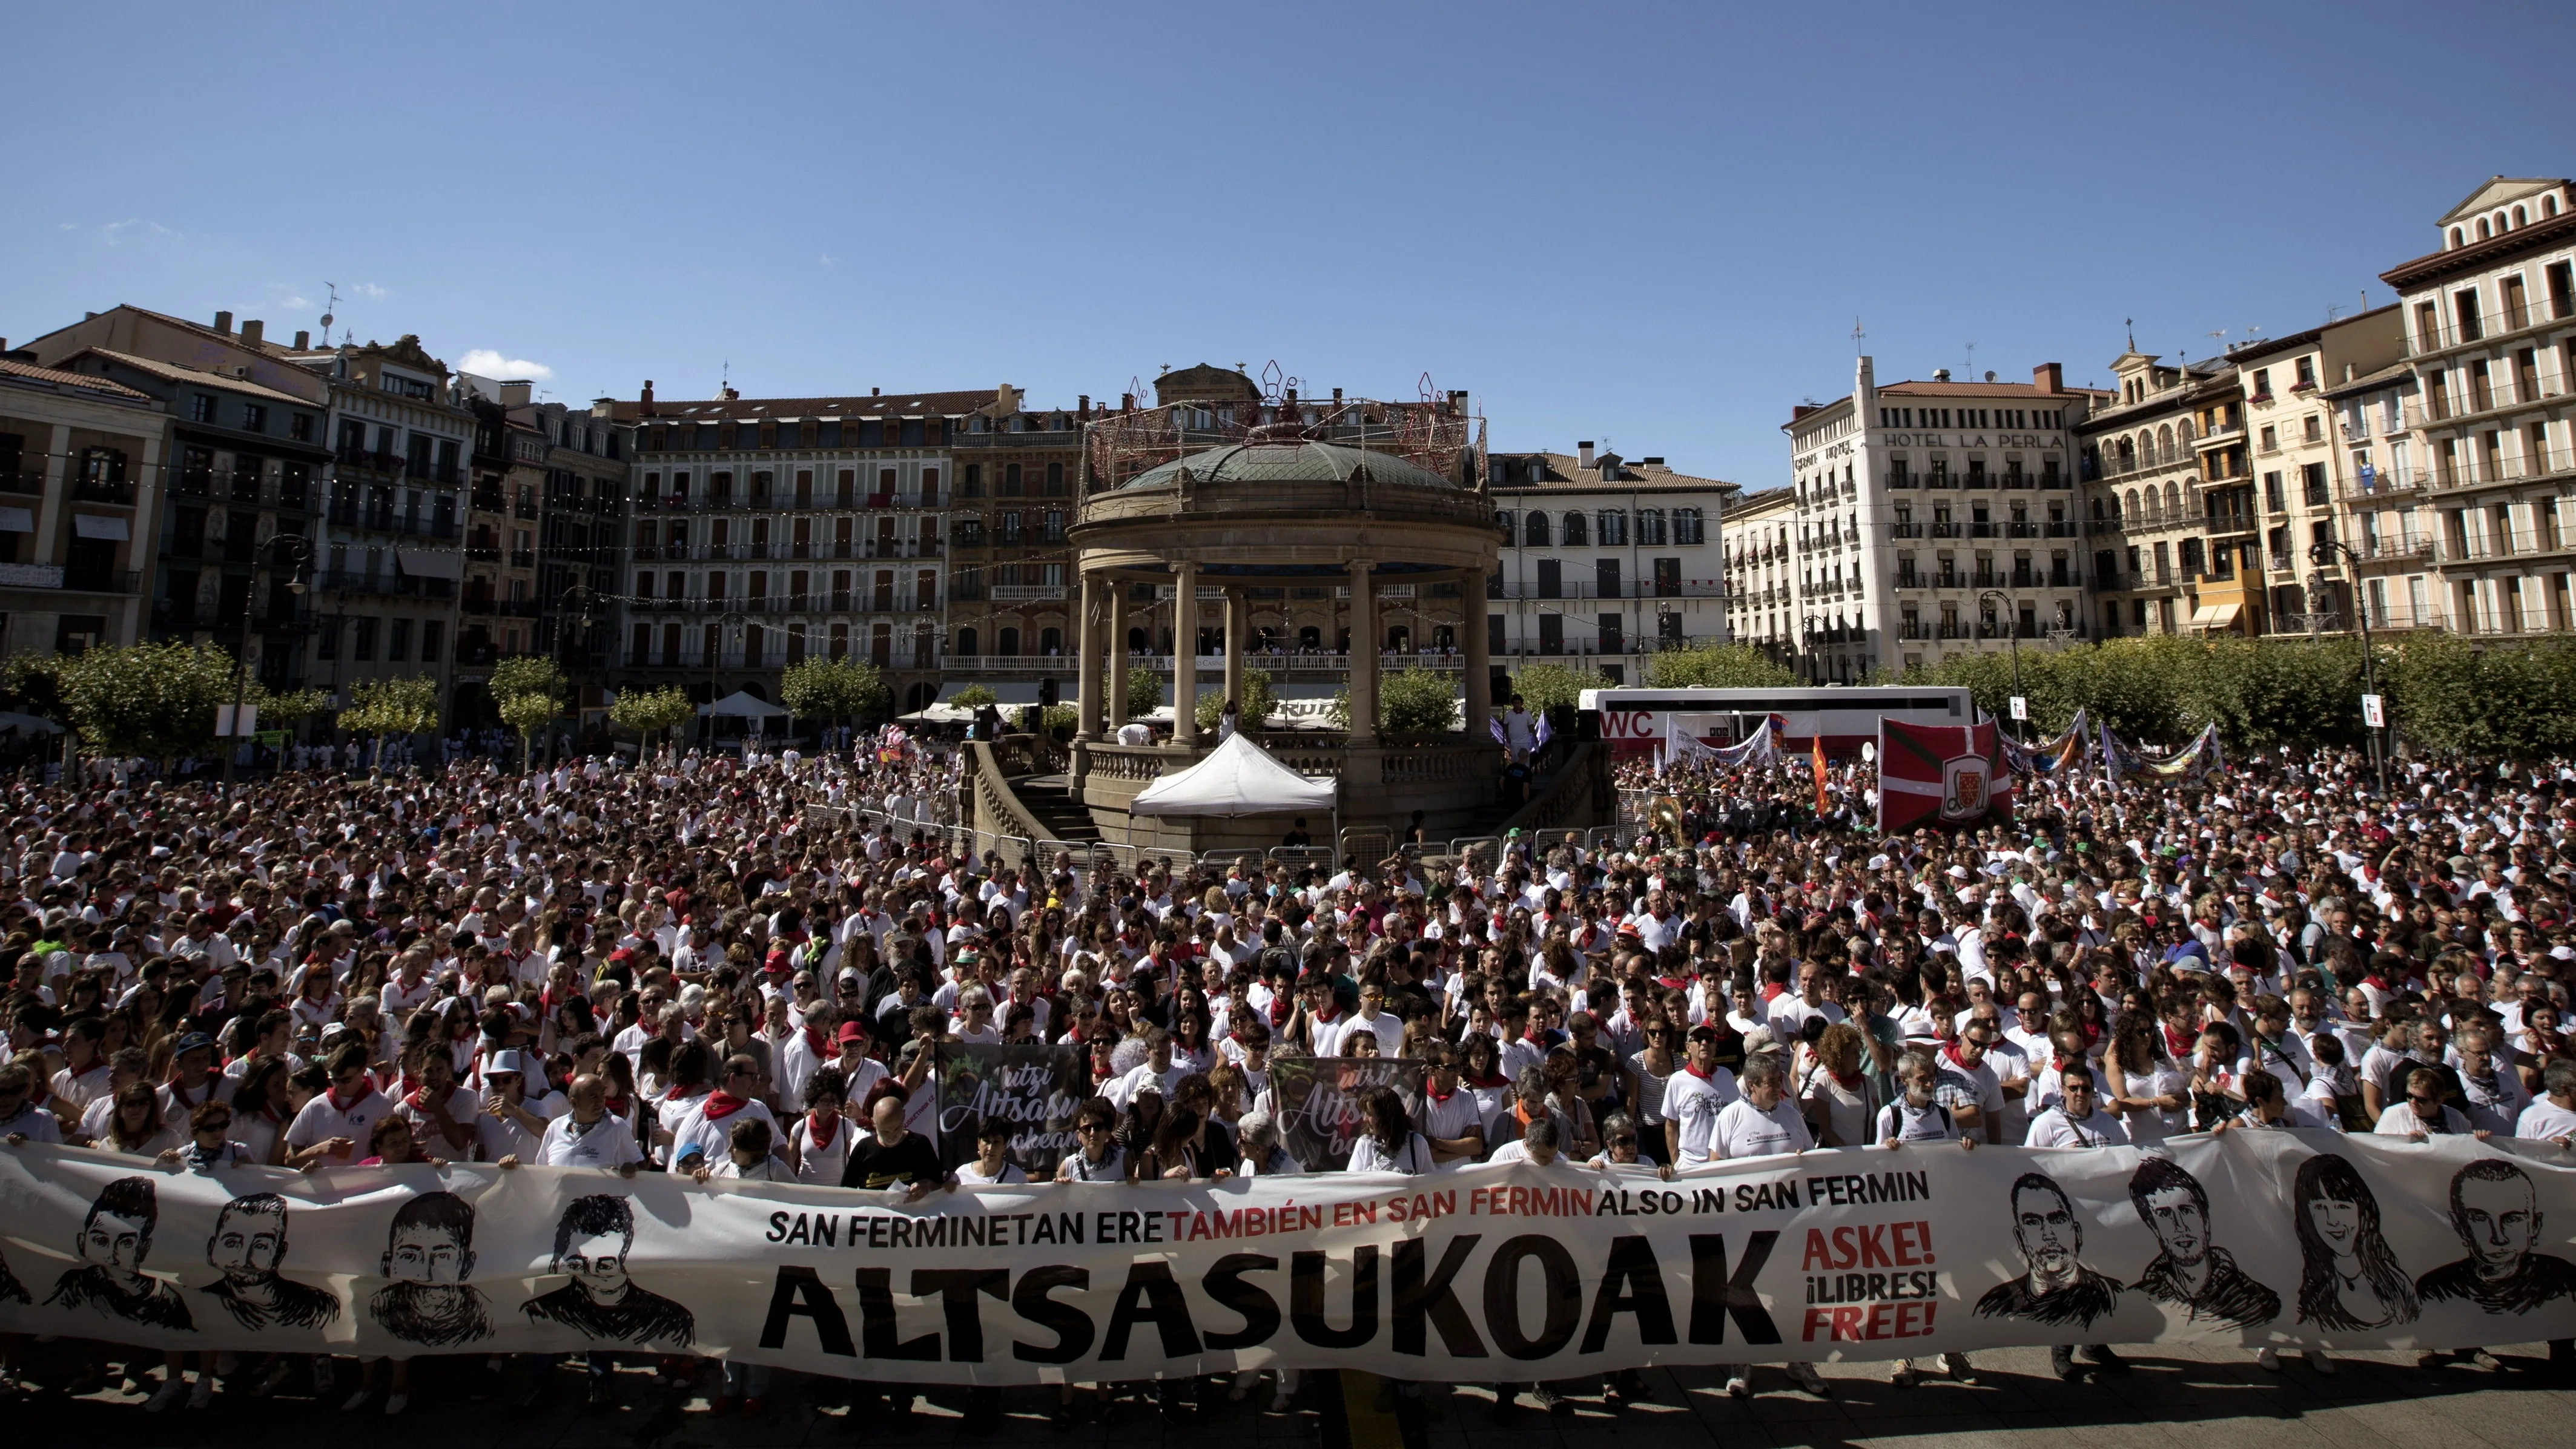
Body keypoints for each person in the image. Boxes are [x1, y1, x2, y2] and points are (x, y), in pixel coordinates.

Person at [1976, 1171, 2127, 1381]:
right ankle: (2061, 1351)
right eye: (2033, 1222)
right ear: (2020, 1238)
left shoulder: (2113, 1292)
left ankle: (2095, 1345)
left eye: (2057, 1220)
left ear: (2077, 1232)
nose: (2048, 1235)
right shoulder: (1995, 1305)